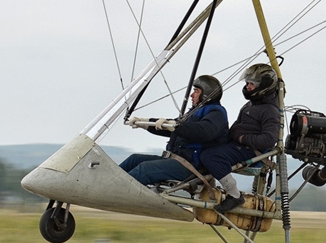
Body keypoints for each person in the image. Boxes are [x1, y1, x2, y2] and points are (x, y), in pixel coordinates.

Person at [118, 75, 228, 186]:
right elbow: (172, 128)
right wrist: (145, 123)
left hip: (192, 165)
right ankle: (106, 183)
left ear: (206, 94)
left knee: (145, 168)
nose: (191, 95)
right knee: (134, 159)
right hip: (176, 159)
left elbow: (203, 132)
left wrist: (176, 126)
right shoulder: (194, 112)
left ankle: (118, 189)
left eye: (196, 91)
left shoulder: (216, 113)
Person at [200, 64, 281, 213]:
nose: (248, 87)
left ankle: (234, 195)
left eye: (252, 84)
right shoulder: (250, 105)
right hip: (236, 144)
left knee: (210, 156)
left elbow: (269, 140)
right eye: (247, 83)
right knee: (202, 147)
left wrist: (243, 138)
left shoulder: (270, 111)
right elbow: (237, 126)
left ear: (264, 87)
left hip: (249, 151)